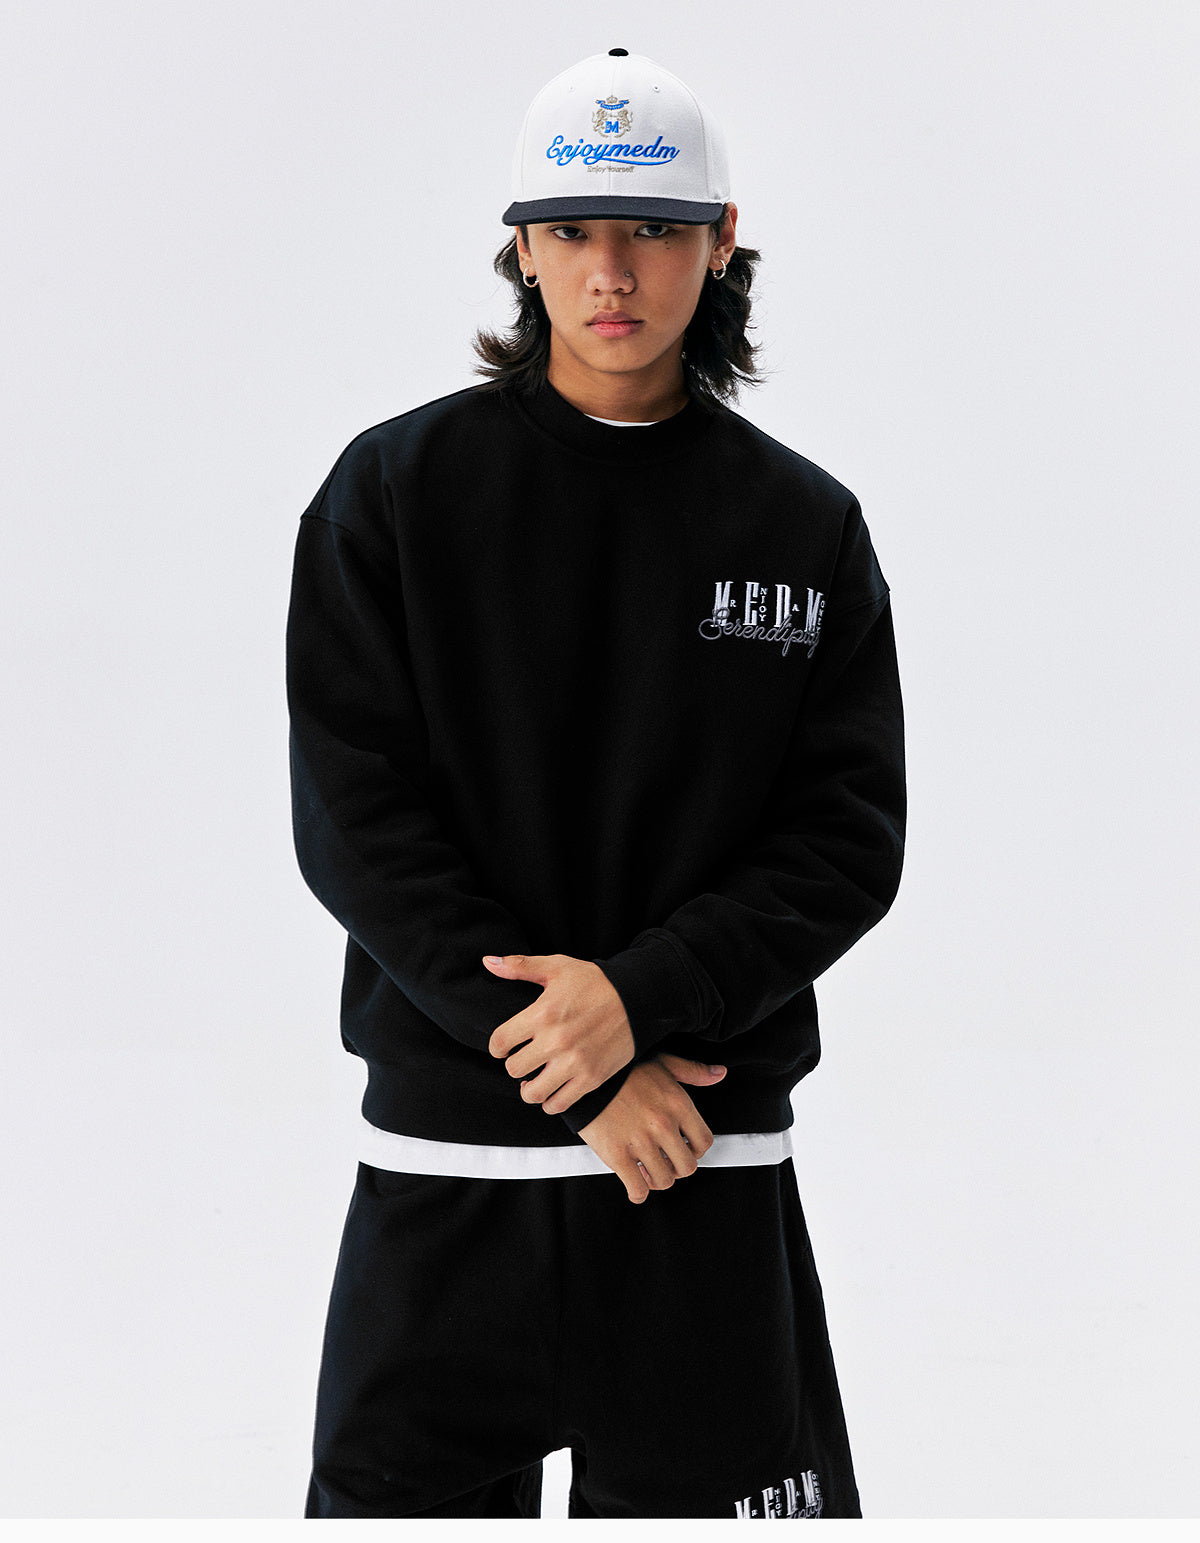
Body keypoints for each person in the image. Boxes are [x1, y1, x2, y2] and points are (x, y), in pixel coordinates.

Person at [287, 47, 905, 1520]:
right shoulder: (395, 495)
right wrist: (578, 1059)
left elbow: (845, 839)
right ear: (520, 245)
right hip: (453, 1176)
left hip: (698, 1165)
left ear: (722, 241)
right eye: (570, 230)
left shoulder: (802, 527)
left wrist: (642, 999)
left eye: (653, 231)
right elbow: (357, 822)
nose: (610, 272)